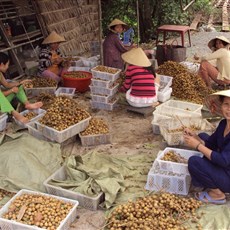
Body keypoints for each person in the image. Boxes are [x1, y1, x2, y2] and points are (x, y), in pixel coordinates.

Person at [183, 89, 230, 204]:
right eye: (226, 104)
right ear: (221, 106)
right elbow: (211, 144)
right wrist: (196, 137)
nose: (229, 109)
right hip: (224, 168)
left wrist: (197, 145)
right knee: (203, 136)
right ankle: (207, 182)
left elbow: (223, 160)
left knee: (195, 161)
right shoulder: (223, 124)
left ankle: (218, 194)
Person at [0, 52, 43, 124]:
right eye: (7, 64)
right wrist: (11, 91)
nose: (8, 67)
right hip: (1, 102)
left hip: (3, 102)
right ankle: (15, 114)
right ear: (1, 64)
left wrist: (20, 83)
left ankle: (27, 104)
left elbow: (7, 84)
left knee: (19, 87)